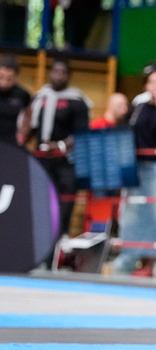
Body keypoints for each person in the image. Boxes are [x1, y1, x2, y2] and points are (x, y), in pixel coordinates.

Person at [112, 61, 156, 277]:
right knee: (132, 214)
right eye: (151, 82)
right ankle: (128, 257)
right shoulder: (139, 105)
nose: (154, 86)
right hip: (138, 169)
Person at [25, 58, 91, 241]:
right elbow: (30, 126)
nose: (58, 76)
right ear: (50, 73)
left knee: (64, 203)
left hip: (66, 162)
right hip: (42, 160)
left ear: (69, 76)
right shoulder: (40, 97)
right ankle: (38, 242)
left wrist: (60, 145)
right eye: (55, 72)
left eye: (63, 73)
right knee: (40, 202)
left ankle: (60, 241)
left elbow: (81, 132)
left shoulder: (77, 101)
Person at [0, 54, 31, 147]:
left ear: (16, 77)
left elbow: (28, 115)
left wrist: (22, 134)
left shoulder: (22, 94)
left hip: (11, 142)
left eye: (9, 79)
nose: (4, 83)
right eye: (1, 77)